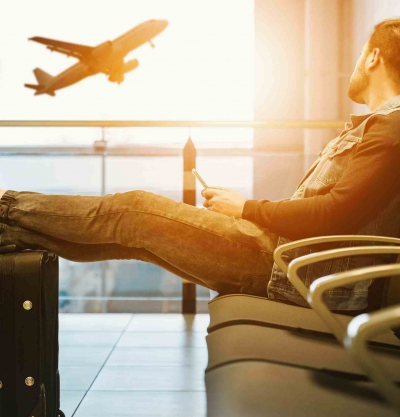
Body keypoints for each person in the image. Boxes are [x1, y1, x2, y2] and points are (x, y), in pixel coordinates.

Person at [1, 18, 400, 312]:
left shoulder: (390, 127)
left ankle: (6, 206)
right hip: (285, 257)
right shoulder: (381, 126)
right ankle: (8, 231)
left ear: (374, 58)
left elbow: (333, 213)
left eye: (360, 54)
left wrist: (245, 209)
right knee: (132, 240)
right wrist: (249, 211)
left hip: (285, 266)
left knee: (132, 211)